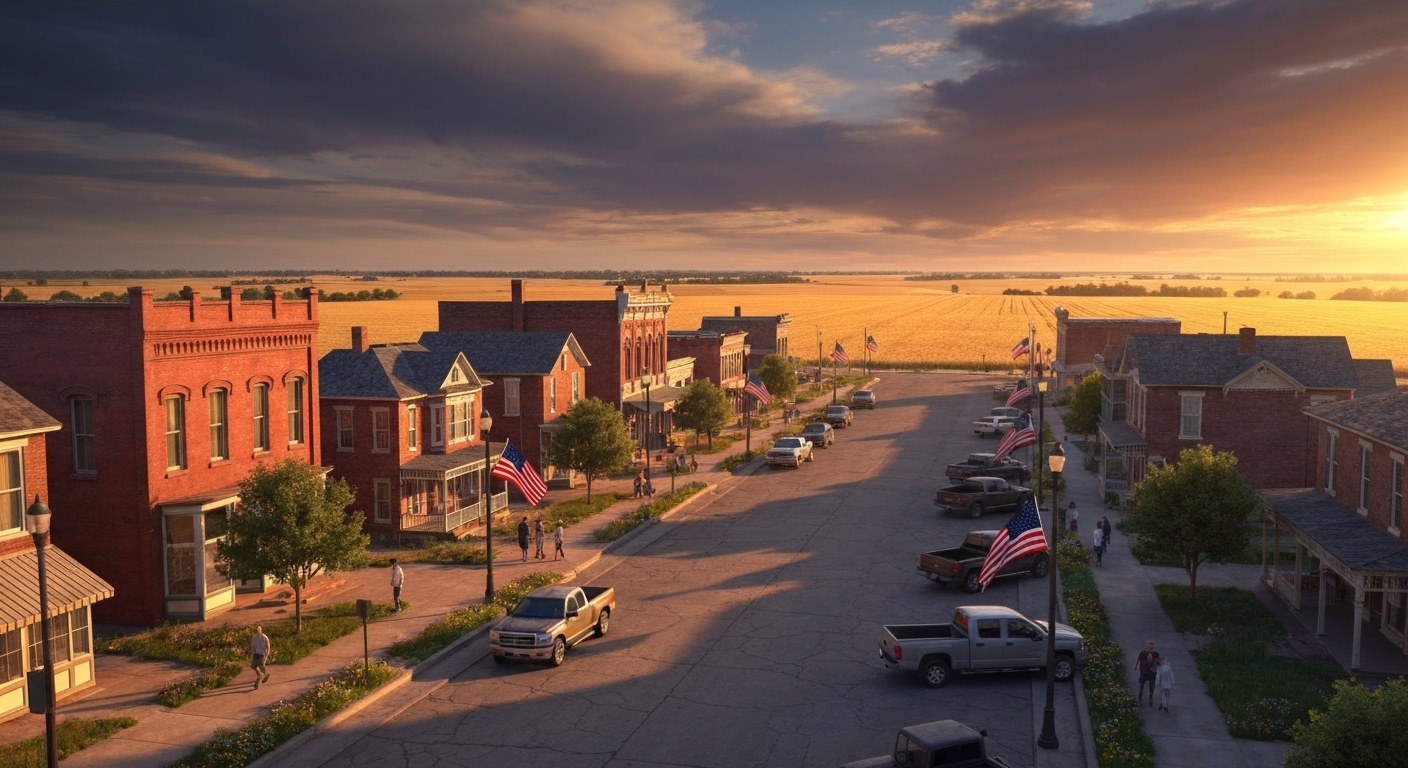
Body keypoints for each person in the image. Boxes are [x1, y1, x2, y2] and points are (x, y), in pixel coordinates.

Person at [1135, 641, 1160, 706]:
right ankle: (1139, 698)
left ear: (1153, 648)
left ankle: (1151, 698)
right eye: (1148, 648)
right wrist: (1138, 667)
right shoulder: (1143, 653)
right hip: (1144, 671)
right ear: (1146, 648)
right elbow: (1139, 660)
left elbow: (1157, 662)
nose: (1150, 650)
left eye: (1151, 648)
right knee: (1141, 686)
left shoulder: (1155, 654)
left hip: (1152, 672)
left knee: (1151, 686)